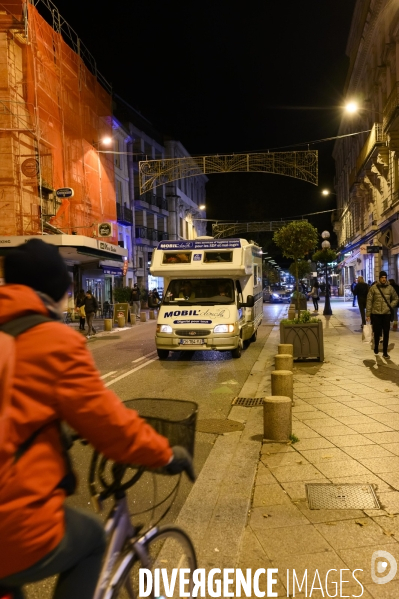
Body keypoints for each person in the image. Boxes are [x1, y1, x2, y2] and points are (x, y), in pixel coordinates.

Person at [0, 239, 194, 599]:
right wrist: (164, 454)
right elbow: (108, 422)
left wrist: (56, 434)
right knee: (90, 541)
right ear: (57, 290)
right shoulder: (52, 339)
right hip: (11, 522)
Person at [366, 271, 398, 359]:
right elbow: (369, 301)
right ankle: (376, 346)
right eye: (382, 277)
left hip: (386, 314)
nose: (384, 279)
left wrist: (390, 306)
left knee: (386, 333)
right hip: (376, 314)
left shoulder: (390, 288)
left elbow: (396, 298)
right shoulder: (373, 288)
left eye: (385, 277)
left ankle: (385, 352)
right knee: (377, 332)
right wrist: (368, 314)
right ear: (379, 278)